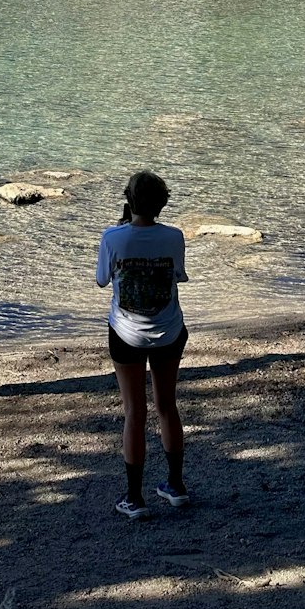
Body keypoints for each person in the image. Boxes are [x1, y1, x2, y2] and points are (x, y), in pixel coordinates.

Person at [95, 169, 189, 519]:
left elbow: (102, 280)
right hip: (168, 331)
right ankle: (176, 486)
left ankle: (134, 498)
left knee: (135, 411)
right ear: (162, 203)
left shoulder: (112, 237)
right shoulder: (175, 237)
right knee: (167, 406)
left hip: (126, 334)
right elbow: (177, 274)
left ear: (128, 201)